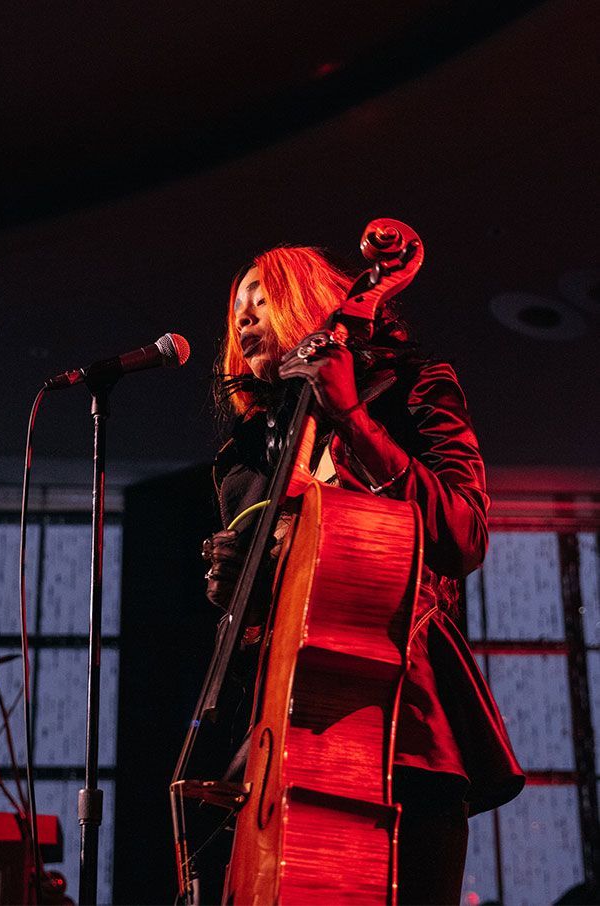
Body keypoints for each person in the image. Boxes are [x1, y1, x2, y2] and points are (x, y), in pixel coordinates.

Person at [201, 245, 524, 905]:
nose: (245, 319)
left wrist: (352, 415)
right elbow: (259, 659)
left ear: (311, 303)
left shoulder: (412, 388)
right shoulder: (247, 461)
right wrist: (235, 597)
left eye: (261, 298)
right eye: (237, 311)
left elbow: (461, 533)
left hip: (400, 734)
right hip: (283, 752)